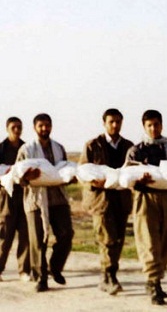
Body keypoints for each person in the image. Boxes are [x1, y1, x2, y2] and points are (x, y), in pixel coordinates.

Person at [125, 109, 167, 306]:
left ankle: (158, 277)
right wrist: (140, 180)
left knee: (166, 240)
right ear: (144, 127)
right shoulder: (136, 150)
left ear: (161, 125)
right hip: (146, 199)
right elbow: (128, 176)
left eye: (156, 124)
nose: (153, 128)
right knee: (149, 241)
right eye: (149, 125)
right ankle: (153, 281)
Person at [79, 108, 134, 295]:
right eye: (111, 122)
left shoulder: (128, 146)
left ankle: (110, 273)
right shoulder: (93, 145)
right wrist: (96, 182)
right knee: (106, 239)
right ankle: (108, 276)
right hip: (101, 200)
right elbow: (83, 172)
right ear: (104, 123)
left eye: (118, 121)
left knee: (118, 239)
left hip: (121, 199)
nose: (115, 125)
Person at [17, 113, 74, 293]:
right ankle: (41, 278)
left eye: (47, 125)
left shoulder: (59, 148)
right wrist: (27, 177)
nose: (44, 129)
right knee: (38, 240)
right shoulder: (27, 149)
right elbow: (17, 175)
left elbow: (64, 169)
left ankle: (55, 267)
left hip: (58, 198)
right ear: (35, 127)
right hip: (36, 200)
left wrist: (70, 177)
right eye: (41, 125)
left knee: (66, 234)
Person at [0, 117, 30, 282]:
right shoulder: (1, 149)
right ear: (7, 129)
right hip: (6, 196)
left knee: (25, 234)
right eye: (14, 127)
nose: (17, 130)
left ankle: (24, 270)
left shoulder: (26, 148)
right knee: (5, 234)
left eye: (19, 127)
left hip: (24, 194)